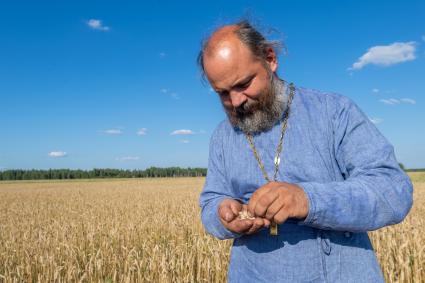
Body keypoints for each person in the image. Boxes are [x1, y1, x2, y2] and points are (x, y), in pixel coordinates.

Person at [197, 20, 413, 282]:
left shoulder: (334, 112)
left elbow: (393, 191)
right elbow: (210, 204)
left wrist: (307, 199)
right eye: (223, 93)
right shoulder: (222, 137)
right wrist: (223, 214)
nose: (236, 101)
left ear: (270, 59)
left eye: (243, 84)